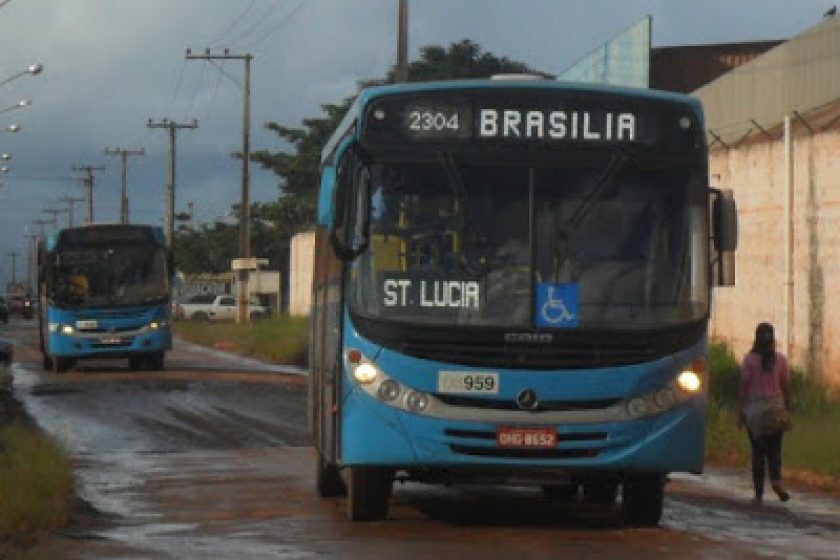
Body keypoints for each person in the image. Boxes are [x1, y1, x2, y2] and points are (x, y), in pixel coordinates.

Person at [737, 322, 792, 505]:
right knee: (775, 450)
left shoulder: (750, 360)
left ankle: (759, 495)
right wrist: (788, 409)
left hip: (756, 412)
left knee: (758, 453)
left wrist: (740, 413)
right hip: (776, 410)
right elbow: (786, 387)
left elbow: (744, 389)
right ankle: (776, 481)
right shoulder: (781, 360)